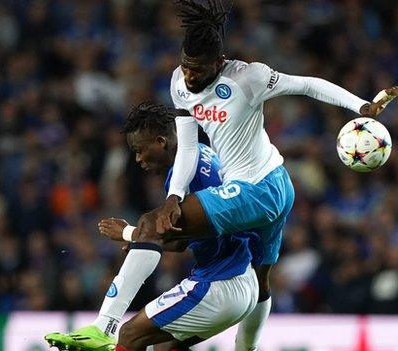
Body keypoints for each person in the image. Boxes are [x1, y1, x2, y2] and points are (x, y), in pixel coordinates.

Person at [114, 1, 398, 350]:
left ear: (219, 63)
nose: (190, 76)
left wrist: (362, 106)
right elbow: (189, 148)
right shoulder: (179, 84)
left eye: (198, 69)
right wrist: (173, 195)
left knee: (167, 226)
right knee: (260, 276)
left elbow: (307, 85)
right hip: (269, 187)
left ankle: (107, 322)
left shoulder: (248, 77)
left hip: (260, 187)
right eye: (186, 66)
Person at [45, 101, 262, 351]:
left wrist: (131, 233)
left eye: (139, 150)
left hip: (218, 284)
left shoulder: (183, 175)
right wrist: (143, 244)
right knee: (160, 346)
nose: (138, 159)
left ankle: (104, 326)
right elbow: (185, 236)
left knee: (128, 335)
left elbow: (166, 234)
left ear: (161, 142)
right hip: (244, 284)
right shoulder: (203, 153)